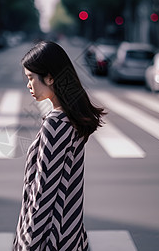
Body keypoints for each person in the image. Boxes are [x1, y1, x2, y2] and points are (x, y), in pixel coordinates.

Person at [13, 41, 106, 251]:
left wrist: (27, 244)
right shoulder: (68, 119)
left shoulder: (57, 124)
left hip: (52, 241)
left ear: (50, 77)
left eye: (30, 78)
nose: (28, 85)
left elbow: (43, 194)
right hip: (69, 236)